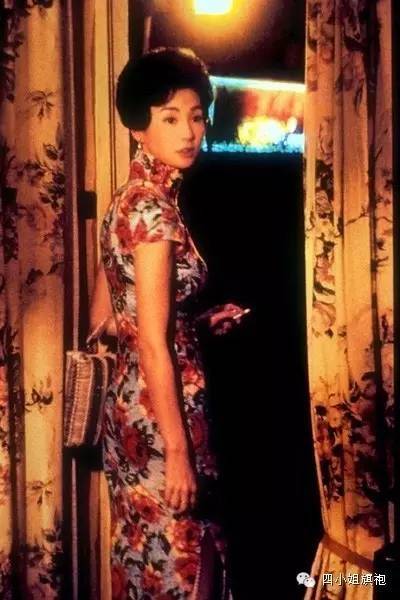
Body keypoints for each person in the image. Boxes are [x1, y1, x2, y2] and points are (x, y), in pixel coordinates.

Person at [89, 47, 249, 600]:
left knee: (149, 565)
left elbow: (106, 320)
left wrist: (194, 324)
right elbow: (152, 342)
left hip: (130, 412)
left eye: (197, 117)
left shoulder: (125, 201)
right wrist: (179, 454)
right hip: (164, 418)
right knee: (186, 566)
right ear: (139, 127)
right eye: (170, 117)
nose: (189, 132)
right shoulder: (153, 211)